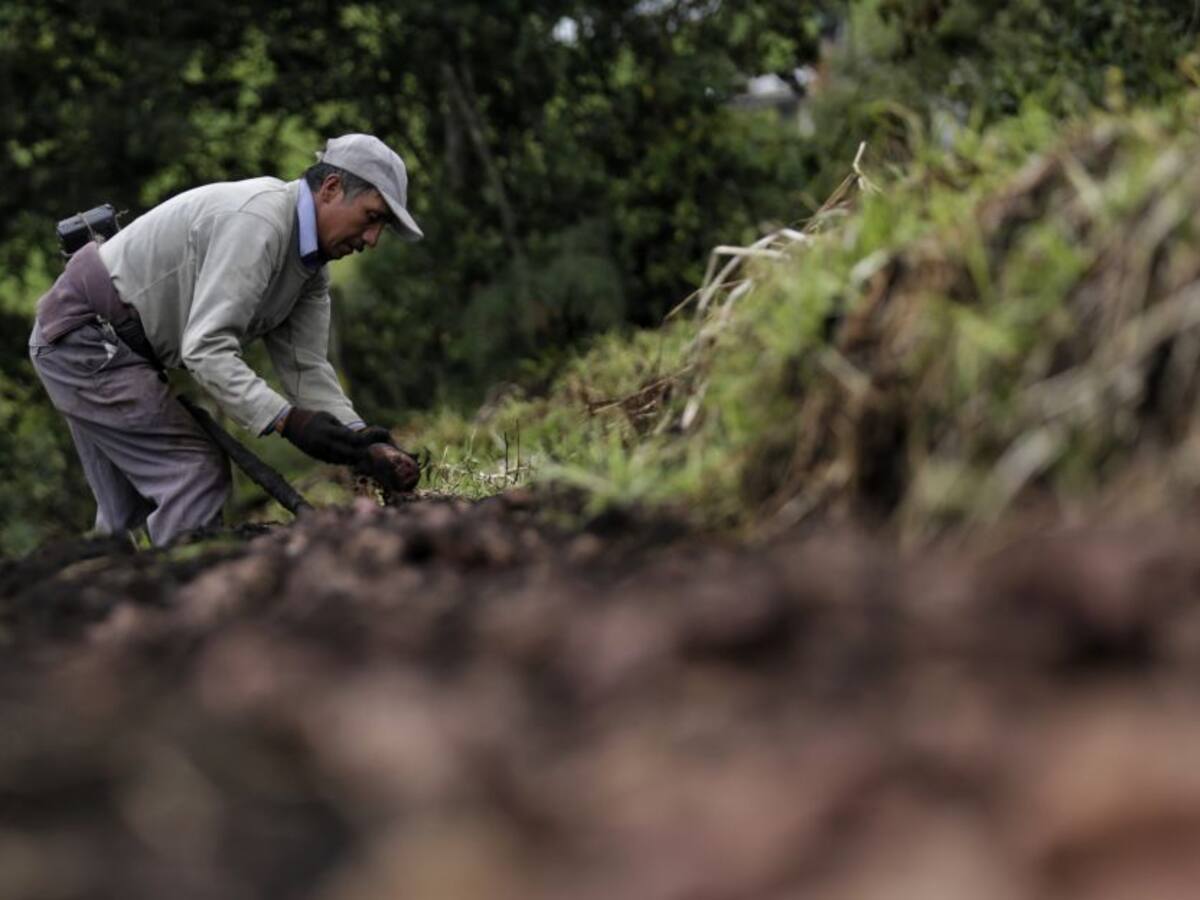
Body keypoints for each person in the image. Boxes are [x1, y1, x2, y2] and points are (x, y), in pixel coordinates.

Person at [28, 133, 421, 546]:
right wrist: (288, 420)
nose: (372, 240)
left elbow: (306, 369)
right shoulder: (261, 223)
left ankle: (104, 601)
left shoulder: (309, 270)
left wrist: (363, 444)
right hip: (85, 340)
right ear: (331, 189)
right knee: (192, 472)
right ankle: (188, 597)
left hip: (105, 344)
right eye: (372, 217)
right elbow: (206, 349)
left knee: (121, 516)